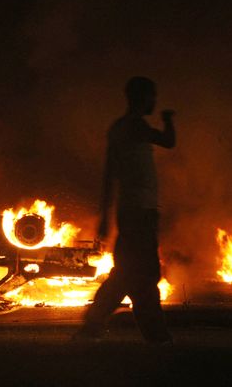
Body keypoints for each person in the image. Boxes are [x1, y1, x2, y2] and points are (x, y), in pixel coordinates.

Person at [75, 76, 175, 344]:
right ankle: (155, 336)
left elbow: (110, 175)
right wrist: (168, 119)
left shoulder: (119, 128)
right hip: (140, 211)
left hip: (132, 210)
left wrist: (106, 215)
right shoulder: (136, 126)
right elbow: (168, 141)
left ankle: (95, 323)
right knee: (144, 273)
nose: (154, 102)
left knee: (130, 273)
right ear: (142, 98)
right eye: (151, 96)